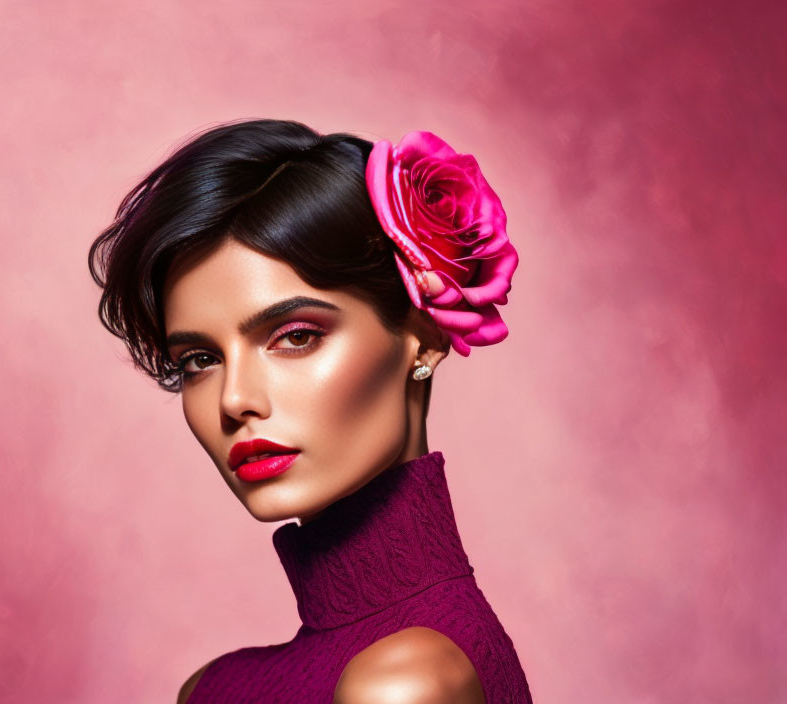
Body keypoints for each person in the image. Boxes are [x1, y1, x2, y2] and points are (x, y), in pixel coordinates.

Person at [87, 118, 533, 703]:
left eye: (295, 337)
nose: (235, 399)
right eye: (199, 359)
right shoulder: (213, 689)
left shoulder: (408, 682)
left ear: (423, 337)